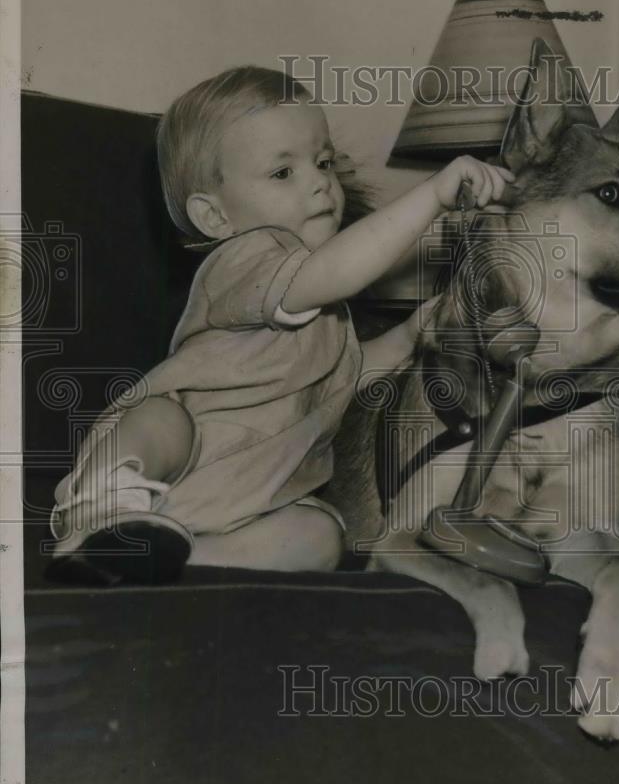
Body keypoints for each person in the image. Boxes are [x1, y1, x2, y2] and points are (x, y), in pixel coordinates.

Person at [48, 65, 514, 585]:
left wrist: (411, 335)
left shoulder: (328, 319)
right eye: (282, 173)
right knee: (159, 419)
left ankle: (169, 560)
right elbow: (334, 270)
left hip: (244, 502)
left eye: (323, 162)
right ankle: (100, 515)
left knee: (323, 535)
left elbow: (345, 382)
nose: (320, 182)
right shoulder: (245, 260)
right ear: (215, 218)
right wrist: (431, 196)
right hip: (171, 464)